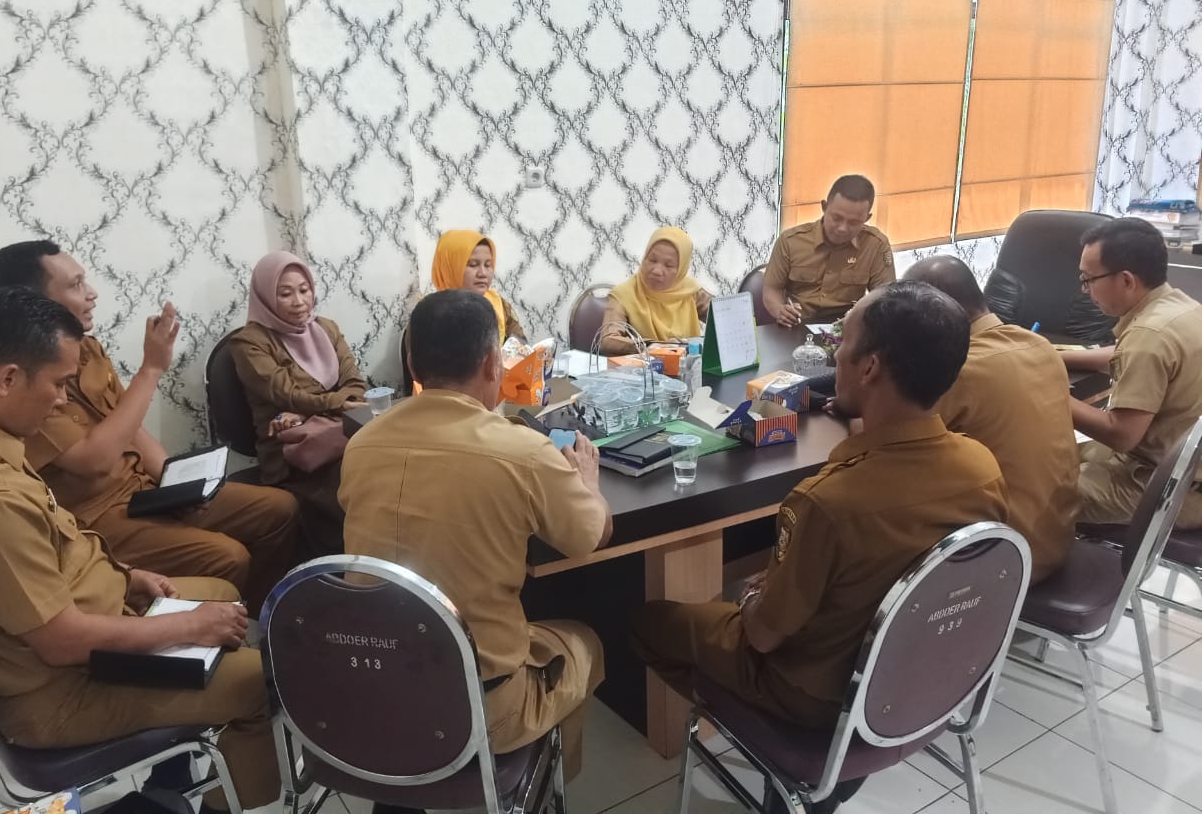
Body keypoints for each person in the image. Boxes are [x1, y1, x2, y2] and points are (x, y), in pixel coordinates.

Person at [631, 282, 1007, 810]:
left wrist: (755, 593)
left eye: (841, 344)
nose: (834, 358)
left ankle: (765, 742)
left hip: (816, 696)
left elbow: (763, 635)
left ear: (870, 367)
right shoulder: (982, 466)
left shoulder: (826, 502)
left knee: (650, 622)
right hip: (924, 677)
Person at [0, 287, 278, 814]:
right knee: (260, 680)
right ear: (7, 379)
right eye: (58, 384)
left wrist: (128, 576)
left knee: (220, 590)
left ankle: (173, 769)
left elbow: (52, 545)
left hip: (88, 623)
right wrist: (188, 626)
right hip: (64, 689)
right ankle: (224, 802)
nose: (61, 401)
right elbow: (62, 642)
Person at [340, 290, 612, 783]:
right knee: (585, 643)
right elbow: (589, 537)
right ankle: (545, 787)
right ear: (493, 363)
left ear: (411, 363)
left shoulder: (361, 444)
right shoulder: (523, 452)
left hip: (374, 680)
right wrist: (588, 484)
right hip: (476, 707)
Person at [0, 240, 299, 612]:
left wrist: (178, 486)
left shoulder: (88, 348)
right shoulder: (25, 379)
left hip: (144, 488)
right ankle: (215, 627)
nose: (92, 293)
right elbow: (94, 460)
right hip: (98, 514)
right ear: (37, 302)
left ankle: (265, 615)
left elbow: (131, 426)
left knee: (280, 508)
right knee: (228, 556)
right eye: (76, 285)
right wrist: (150, 369)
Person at [904, 256, 1079, 582]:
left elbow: (886, 439)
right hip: (1055, 537)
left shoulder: (959, 370)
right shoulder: (1040, 346)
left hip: (999, 562)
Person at [1063, 218, 1202, 527]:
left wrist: (1048, 393)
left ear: (1126, 280)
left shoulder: (1147, 337)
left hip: (1168, 488)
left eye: (1088, 279)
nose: (1085, 290)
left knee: (1033, 486)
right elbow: (1126, 355)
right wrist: (1052, 358)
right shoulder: (1181, 308)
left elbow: (1121, 435)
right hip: (1178, 467)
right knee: (1055, 451)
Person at [231, 251, 368, 556]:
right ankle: (348, 565)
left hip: (339, 435)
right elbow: (288, 395)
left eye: (304, 290)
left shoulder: (327, 328)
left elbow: (356, 385)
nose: (299, 302)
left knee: (386, 465)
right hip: (289, 451)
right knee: (360, 482)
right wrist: (327, 406)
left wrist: (307, 412)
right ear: (266, 297)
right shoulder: (249, 342)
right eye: (285, 294)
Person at [762, 174, 895, 327]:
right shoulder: (791, 241)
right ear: (824, 207)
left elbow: (885, 299)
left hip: (848, 327)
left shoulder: (876, 245)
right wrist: (780, 311)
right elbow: (772, 289)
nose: (842, 228)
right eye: (836, 218)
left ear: (866, 218)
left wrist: (861, 318)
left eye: (853, 222)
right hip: (797, 325)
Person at [600, 226, 712, 354]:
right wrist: (648, 346)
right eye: (652, 260)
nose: (657, 271)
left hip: (688, 363)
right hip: (644, 364)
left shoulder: (690, 291)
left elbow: (722, 319)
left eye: (668, 265)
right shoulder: (623, 294)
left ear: (681, 269)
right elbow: (607, 340)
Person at [431, 229, 527, 342]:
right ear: (450, 267)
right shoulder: (430, 314)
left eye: (488, 265)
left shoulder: (499, 305)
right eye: (473, 264)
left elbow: (521, 346)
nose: (483, 273)